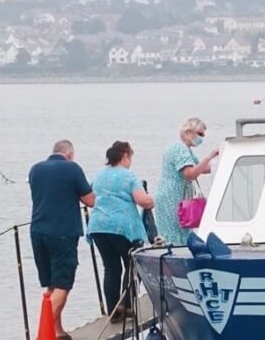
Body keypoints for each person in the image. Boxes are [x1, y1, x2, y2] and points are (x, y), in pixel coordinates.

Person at [29, 139, 95, 340]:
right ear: (70, 154)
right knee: (63, 284)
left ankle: (57, 331)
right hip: (62, 233)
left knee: (51, 284)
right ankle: (44, 335)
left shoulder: (35, 170)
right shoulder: (72, 168)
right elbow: (90, 200)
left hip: (37, 231)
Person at [88, 141, 155, 320]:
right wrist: (152, 200)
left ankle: (113, 311)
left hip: (98, 226)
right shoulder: (128, 176)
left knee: (111, 267)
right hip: (123, 228)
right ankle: (127, 305)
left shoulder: (99, 175)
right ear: (125, 156)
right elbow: (142, 200)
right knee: (132, 265)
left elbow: (91, 198)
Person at [154, 118, 219, 246]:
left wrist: (220, 162)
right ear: (189, 132)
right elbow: (190, 174)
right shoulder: (179, 149)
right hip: (172, 199)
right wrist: (210, 156)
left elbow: (202, 168)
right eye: (200, 134)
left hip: (177, 199)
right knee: (174, 235)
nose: (202, 138)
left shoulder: (185, 150)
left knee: (181, 233)